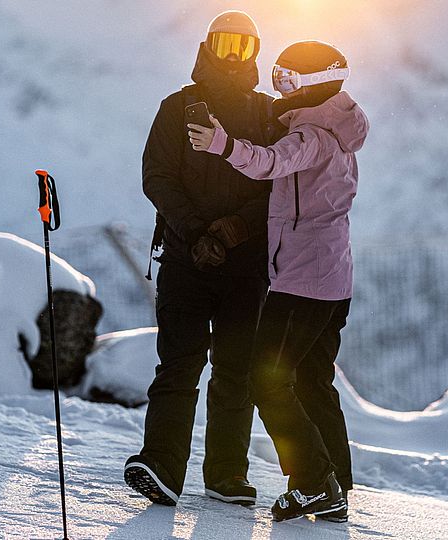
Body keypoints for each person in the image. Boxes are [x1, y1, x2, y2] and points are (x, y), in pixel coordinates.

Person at [189, 40, 369, 521]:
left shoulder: (312, 135)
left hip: (303, 281)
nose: (280, 89)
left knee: (265, 379)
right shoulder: (339, 127)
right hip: (334, 278)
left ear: (313, 84)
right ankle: (335, 484)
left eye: (287, 80)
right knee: (312, 378)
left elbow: (271, 161)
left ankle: (313, 483)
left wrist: (220, 144)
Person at [124, 10, 279, 507]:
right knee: (179, 364)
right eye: (226, 44)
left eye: (245, 47)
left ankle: (227, 475)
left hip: (245, 265)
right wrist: (196, 234)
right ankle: (161, 466)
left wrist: (234, 230)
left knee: (236, 369)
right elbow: (158, 176)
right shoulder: (177, 107)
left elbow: (280, 182)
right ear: (209, 46)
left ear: (255, 53)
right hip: (186, 259)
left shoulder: (269, 114)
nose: (234, 56)